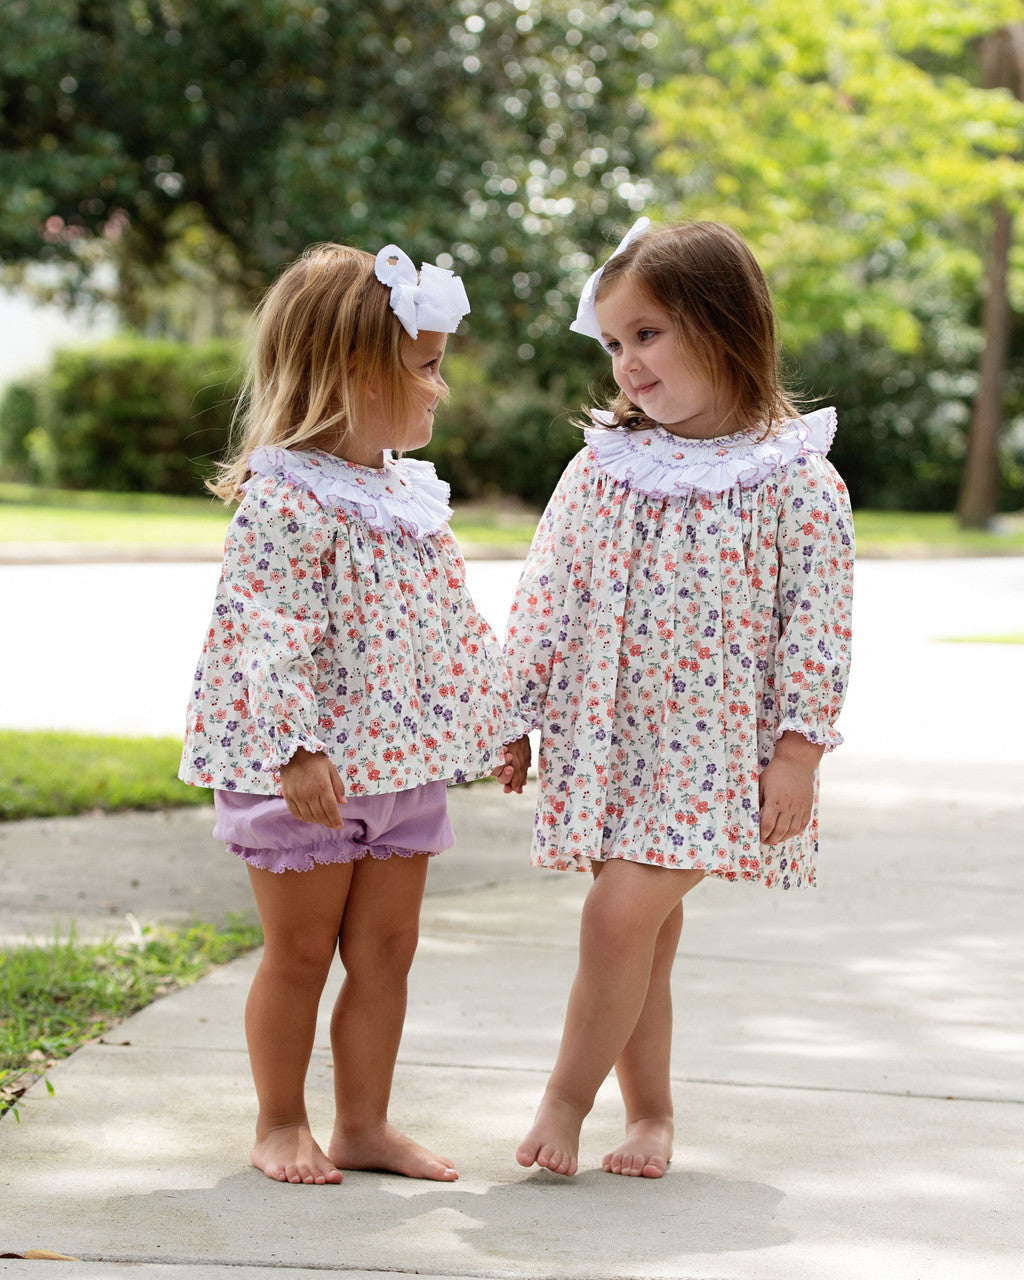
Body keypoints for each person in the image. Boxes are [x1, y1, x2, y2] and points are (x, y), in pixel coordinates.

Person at [502, 216, 854, 1179]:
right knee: (643, 936)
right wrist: (516, 715)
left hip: (716, 757)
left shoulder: (798, 484)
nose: (625, 363)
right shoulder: (604, 469)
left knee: (617, 918)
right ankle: (649, 1114)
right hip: (614, 742)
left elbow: (815, 630)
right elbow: (547, 596)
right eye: (613, 343)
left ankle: (564, 1102)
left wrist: (799, 755)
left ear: (726, 325)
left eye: (647, 334)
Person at [180, 240, 531, 1185]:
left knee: (387, 951)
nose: (440, 388)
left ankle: (365, 1125)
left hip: (403, 767)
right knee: (299, 952)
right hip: (305, 772)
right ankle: (278, 1122)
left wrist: (501, 714)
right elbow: (265, 629)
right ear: (350, 372)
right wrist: (296, 745)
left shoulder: (411, 499)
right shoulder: (286, 494)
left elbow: (454, 622)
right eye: (423, 366)